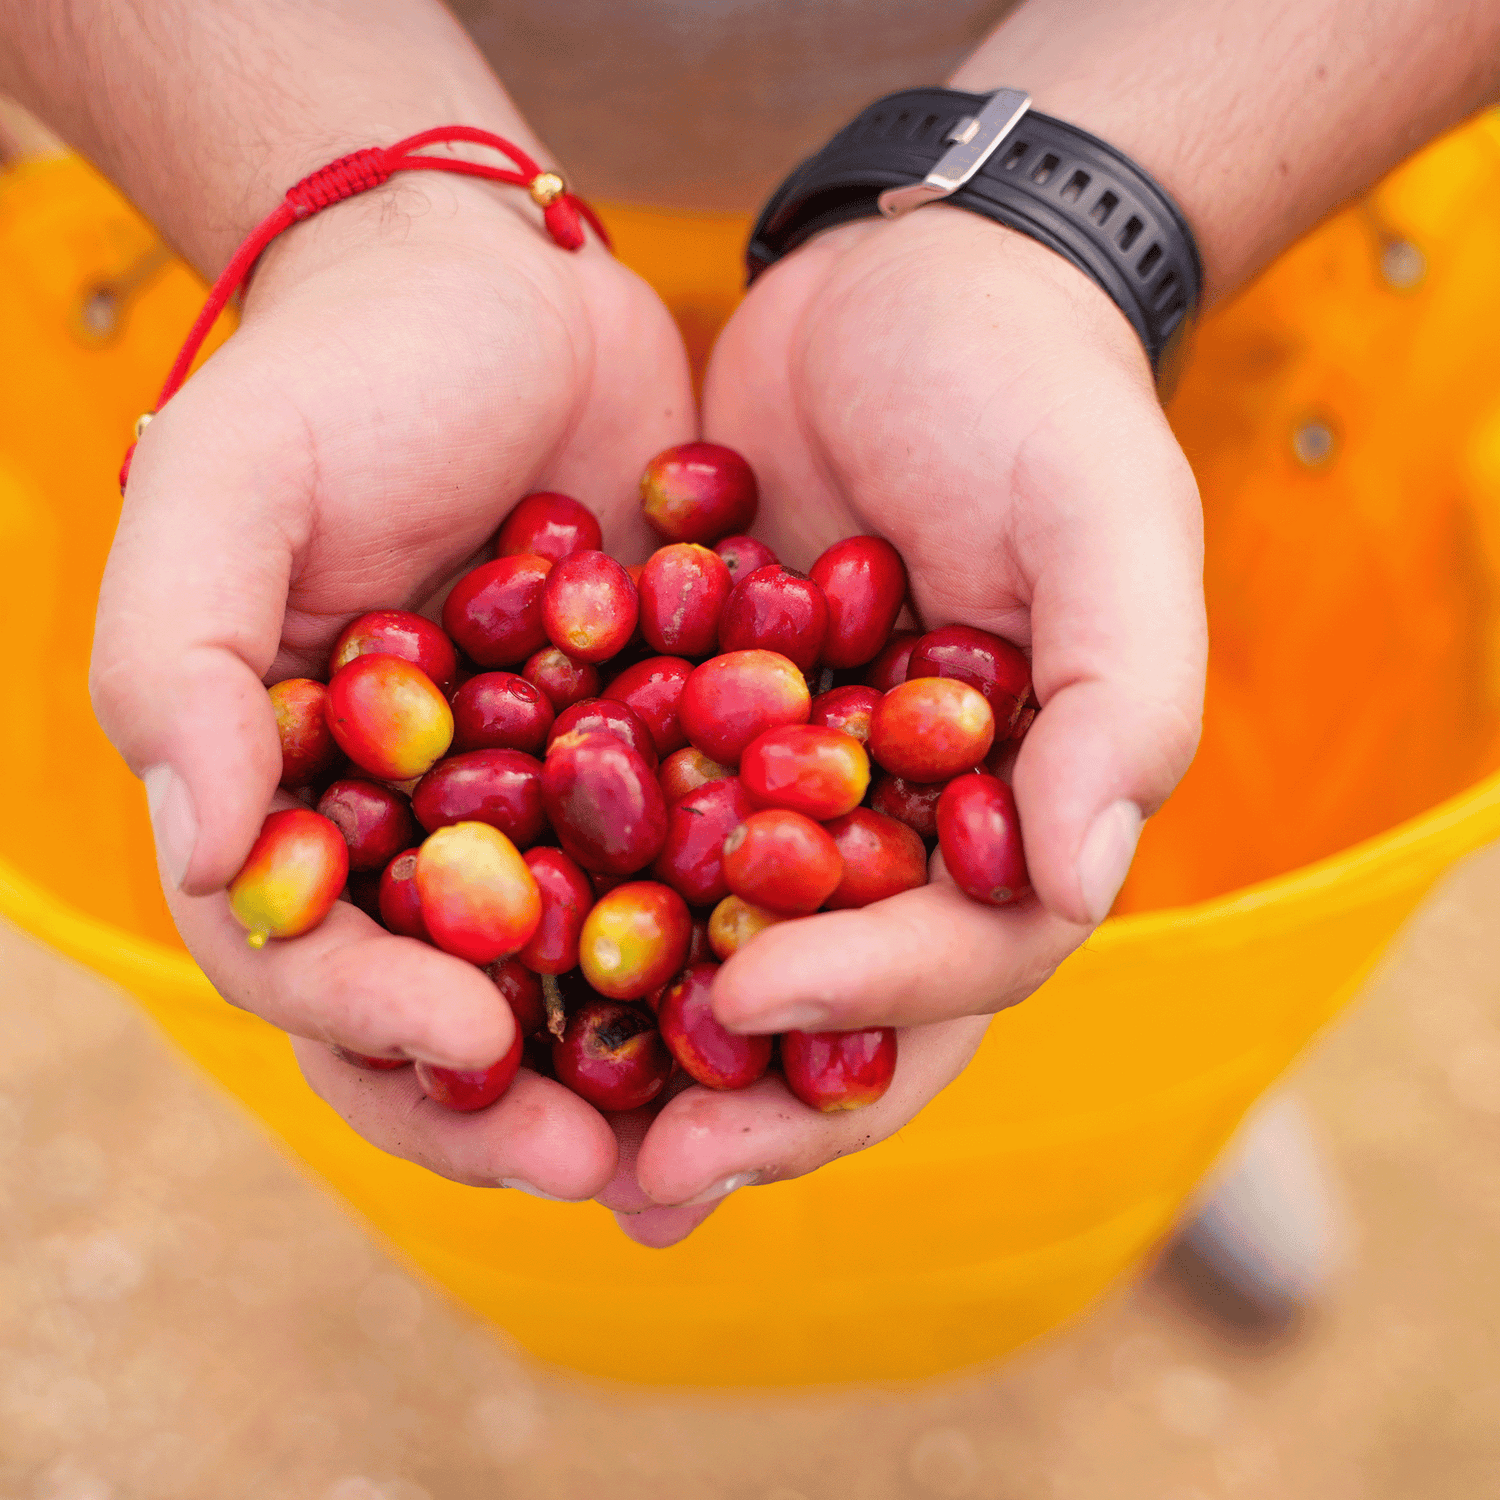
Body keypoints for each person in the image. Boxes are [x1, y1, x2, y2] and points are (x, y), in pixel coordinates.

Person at [1, 0, 1495, 1274]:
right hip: (337, 173)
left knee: (1117, 712)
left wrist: (1078, 224)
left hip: (1198, 173)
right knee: (1028, 800)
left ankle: (1169, 1113)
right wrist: (356, 213)